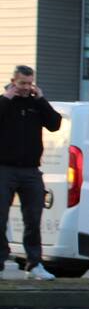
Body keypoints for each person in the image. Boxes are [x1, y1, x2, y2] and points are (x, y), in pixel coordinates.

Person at [0, 66, 62, 280]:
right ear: (13, 82)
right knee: (0, 216)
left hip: (31, 171)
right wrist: (6, 98)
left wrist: (41, 100)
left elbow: (55, 124)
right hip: (4, 169)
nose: (26, 88)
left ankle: (34, 263)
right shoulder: (5, 103)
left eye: (29, 83)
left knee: (33, 217)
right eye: (22, 83)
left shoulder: (36, 104)